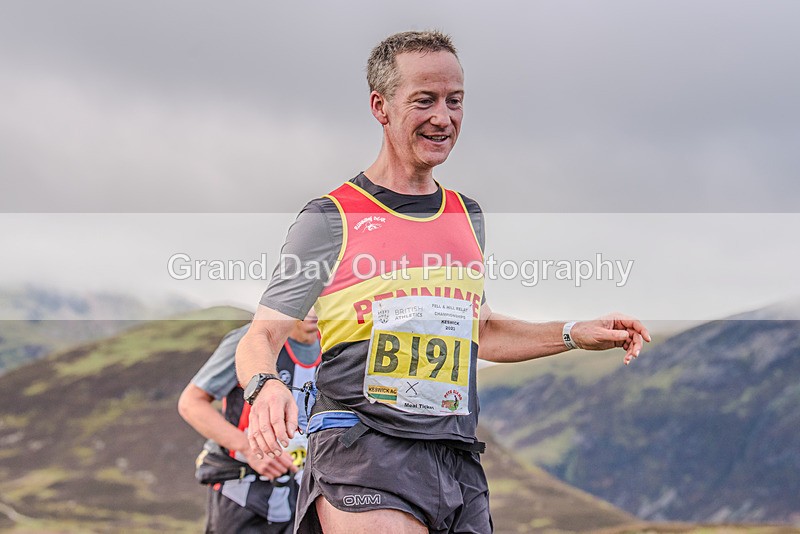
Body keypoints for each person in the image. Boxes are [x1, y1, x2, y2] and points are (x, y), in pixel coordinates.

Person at [235, 30, 651, 534]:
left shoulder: (466, 215)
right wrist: (265, 386)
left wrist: (572, 333)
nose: (443, 117)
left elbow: (482, 330)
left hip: (455, 458)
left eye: (455, 101)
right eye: (424, 101)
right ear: (381, 106)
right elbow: (262, 336)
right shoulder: (331, 218)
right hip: (362, 449)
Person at [179, 313, 321, 534]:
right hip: (242, 493)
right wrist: (247, 448)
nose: (313, 311)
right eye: (309, 300)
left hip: (301, 495)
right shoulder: (251, 341)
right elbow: (191, 403)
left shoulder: (335, 343)